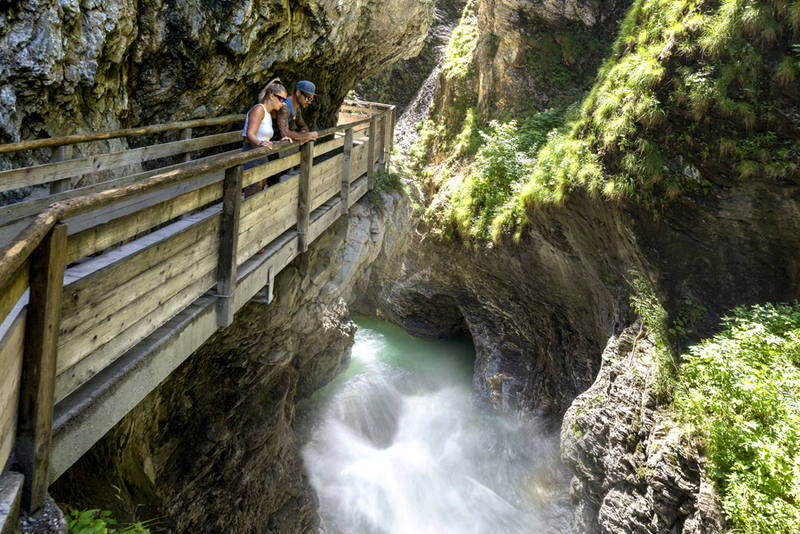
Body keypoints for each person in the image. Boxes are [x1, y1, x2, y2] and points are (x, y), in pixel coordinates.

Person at [242, 78, 292, 196]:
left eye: (284, 100)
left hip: (262, 157)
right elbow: (250, 135)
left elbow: (264, 139)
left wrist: (279, 141)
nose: (283, 103)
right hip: (252, 157)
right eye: (281, 99)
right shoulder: (259, 109)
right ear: (271, 96)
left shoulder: (268, 113)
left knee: (258, 197)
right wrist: (260, 144)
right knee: (252, 199)